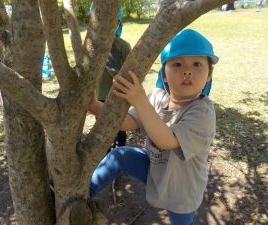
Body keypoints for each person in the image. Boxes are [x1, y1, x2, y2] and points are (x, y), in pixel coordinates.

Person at [88, 29, 218, 225]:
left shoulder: (203, 112)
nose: (187, 70)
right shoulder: (158, 97)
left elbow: (167, 141)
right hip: (157, 170)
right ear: (164, 74)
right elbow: (129, 122)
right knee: (120, 156)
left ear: (208, 75)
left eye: (197, 64)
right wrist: (96, 107)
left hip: (182, 190)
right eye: (177, 64)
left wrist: (139, 100)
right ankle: (83, 191)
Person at [89, 4, 131, 151]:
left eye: (112, 22)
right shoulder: (90, 47)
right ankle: (105, 153)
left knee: (118, 126)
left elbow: (131, 73)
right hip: (99, 95)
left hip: (117, 96)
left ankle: (119, 154)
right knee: (101, 126)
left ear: (118, 23)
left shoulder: (123, 46)